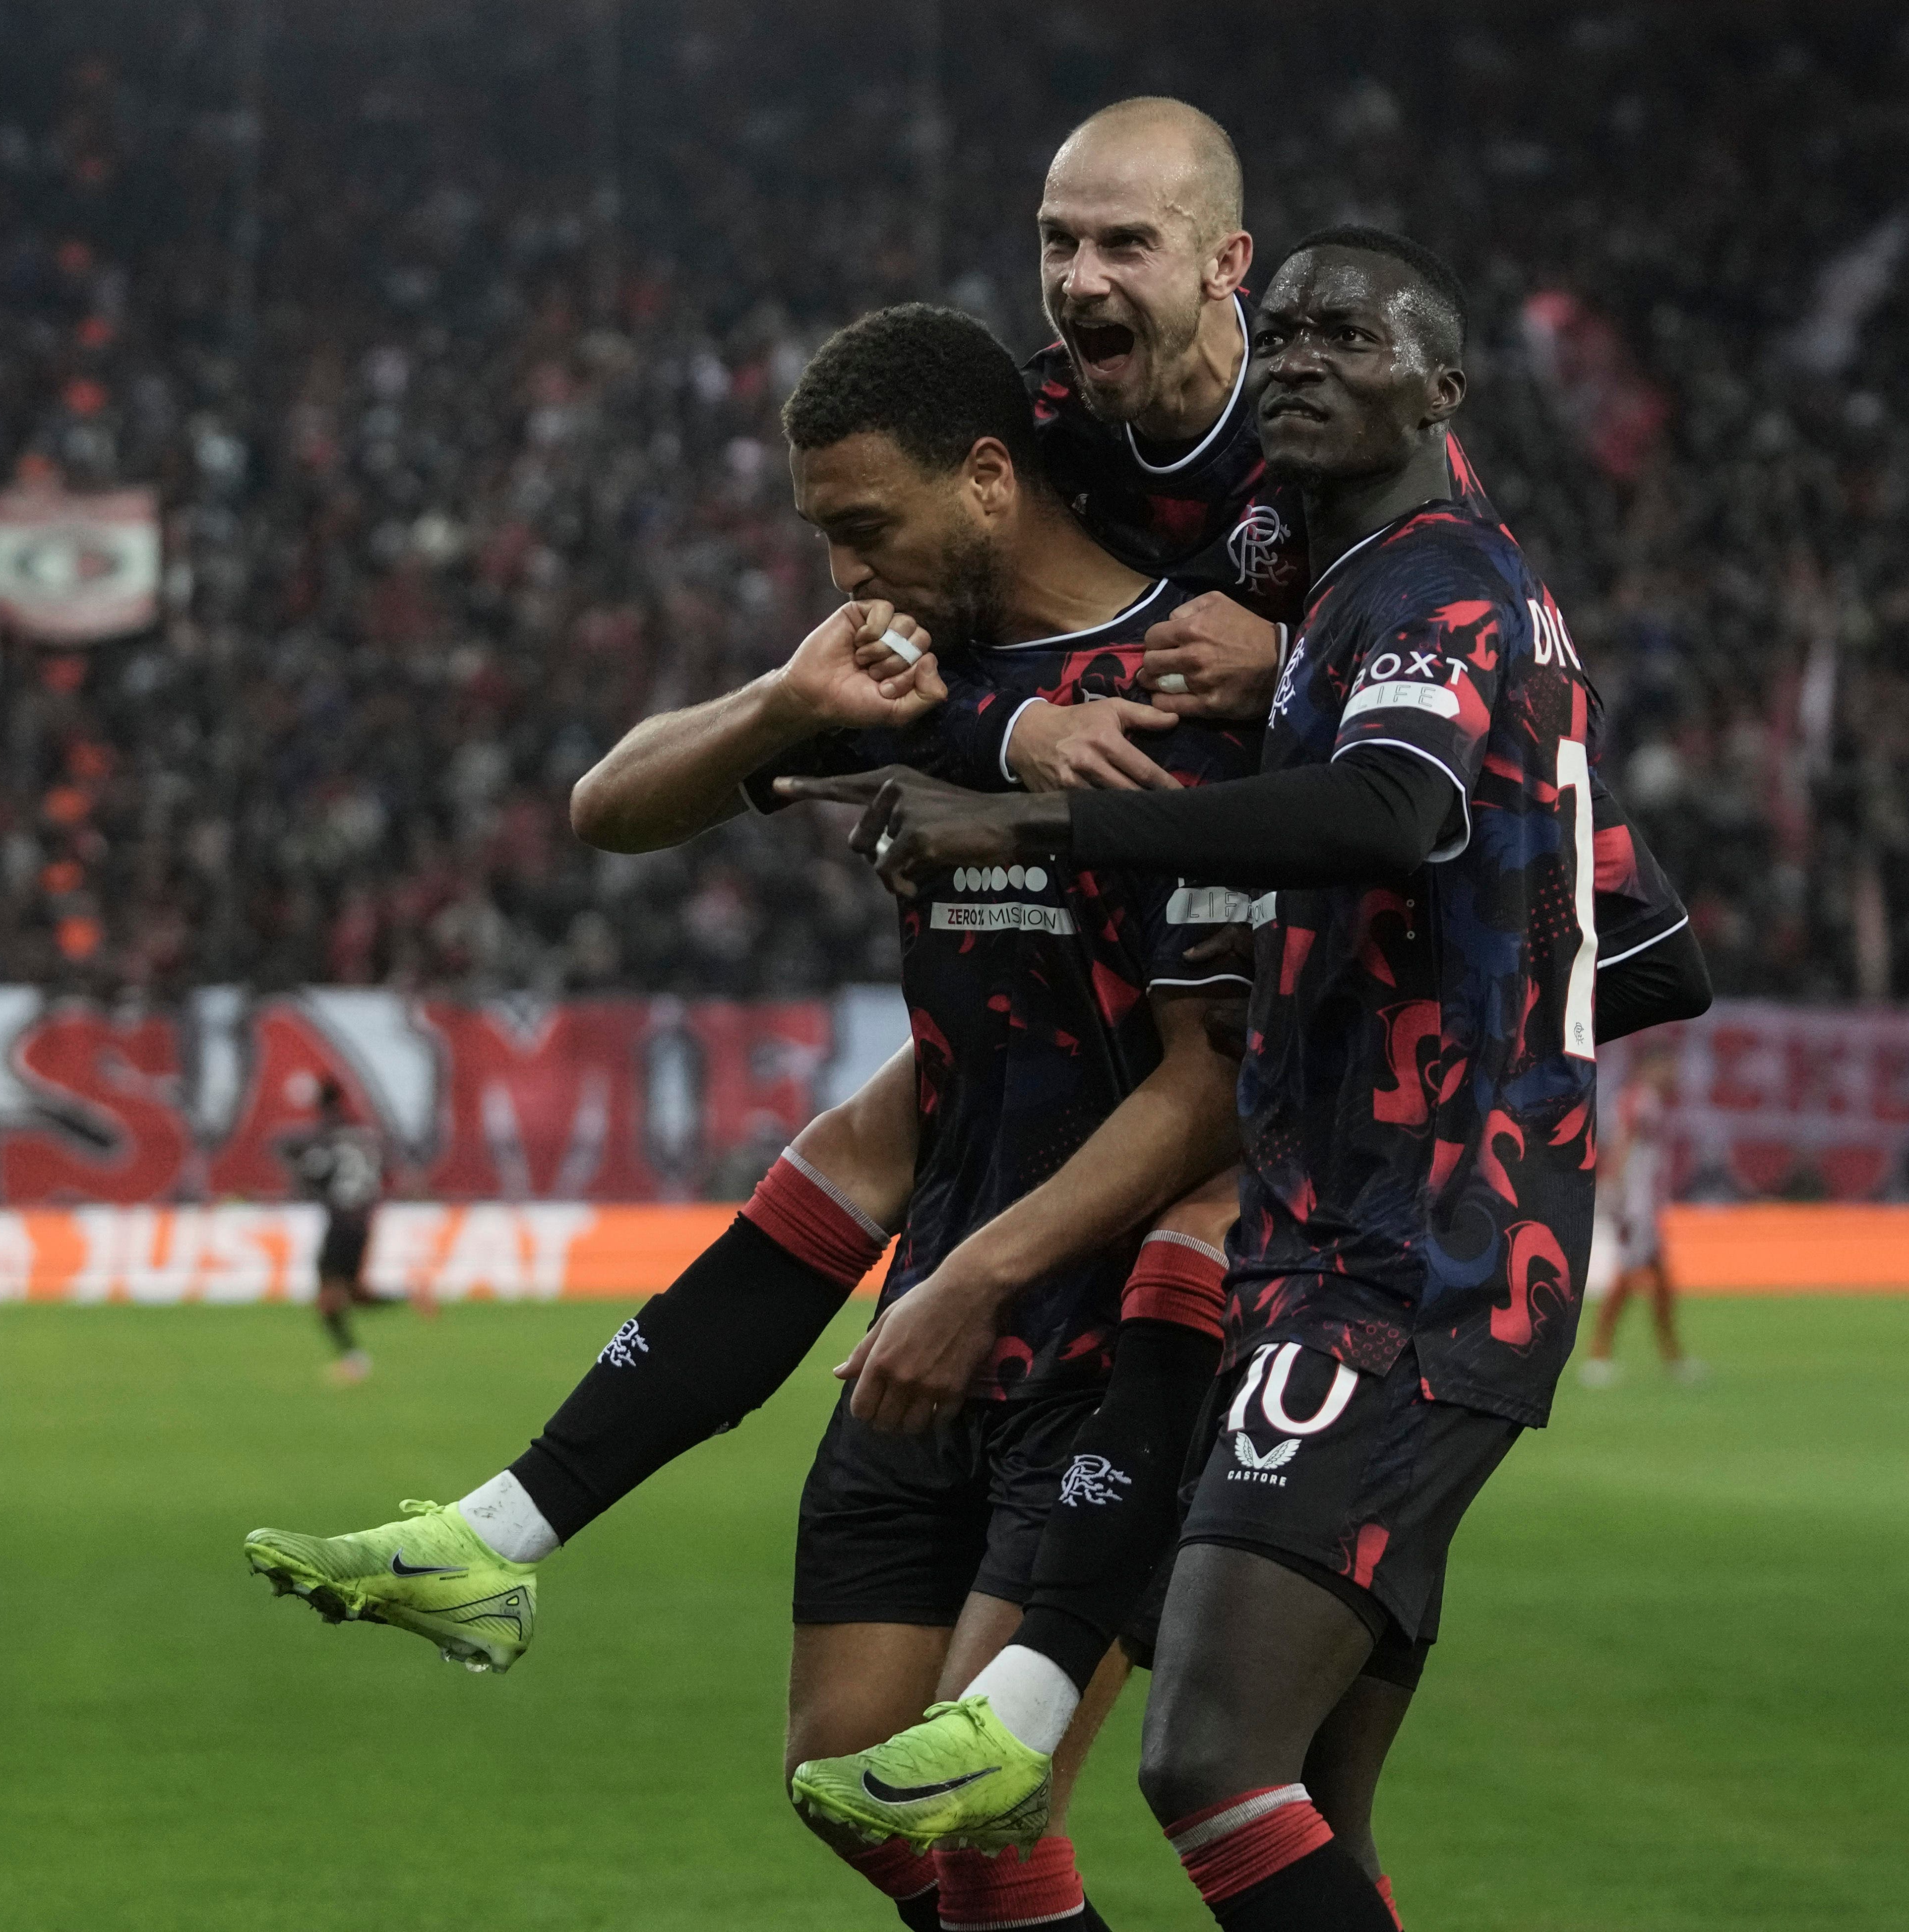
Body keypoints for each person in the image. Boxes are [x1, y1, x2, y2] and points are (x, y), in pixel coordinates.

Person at [253, 304, 1259, 1932]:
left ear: (991, 478)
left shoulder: (1174, 698)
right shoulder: (910, 676)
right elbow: (610, 805)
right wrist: (788, 701)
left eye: (864, 526)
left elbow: (1213, 1084)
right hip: (934, 1287)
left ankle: (497, 1532)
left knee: (992, 1828)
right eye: (823, 536)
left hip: (1101, 1335)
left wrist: (975, 1280)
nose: (847, 568)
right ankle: (495, 1535)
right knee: (845, 1779)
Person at [788, 227, 1602, 1932]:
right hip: (1348, 1239)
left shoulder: (1431, 584)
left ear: (1443, 389)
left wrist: (1035, 812)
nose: (1297, 359)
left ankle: (1005, 1718)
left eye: (1348, 336)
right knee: (1316, 1807)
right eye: (1281, 333)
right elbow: (1646, 940)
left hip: (1418, 1258)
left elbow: (1392, 812)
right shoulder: (1325, 598)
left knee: (1206, 1759)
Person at [1580, 1046, 1702, 1387]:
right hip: (1635, 1208)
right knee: (1627, 1280)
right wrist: (1613, 1190)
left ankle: (1672, 1356)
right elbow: (1622, 1143)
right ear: (1653, 1066)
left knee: (1661, 1282)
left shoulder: (1643, 1100)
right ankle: (1598, 1355)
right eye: (1669, 1065)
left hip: (1644, 1207)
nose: (1674, 1074)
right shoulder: (1640, 1100)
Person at [284, 1078, 398, 1383]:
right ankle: (409, 1298)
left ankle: (353, 1361)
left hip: (341, 1222)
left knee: (328, 1299)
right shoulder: (364, 1134)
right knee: (356, 1295)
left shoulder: (327, 1133)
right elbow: (382, 1173)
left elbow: (315, 1172)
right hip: (363, 1221)